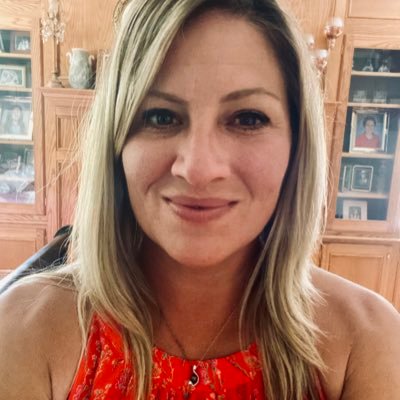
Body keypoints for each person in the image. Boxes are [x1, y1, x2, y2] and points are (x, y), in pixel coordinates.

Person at [0, 0, 399, 399]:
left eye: (247, 118)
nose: (198, 169)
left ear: (297, 144)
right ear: (116, 142)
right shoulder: (25, 329)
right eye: (161, 117)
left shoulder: (367, 343)